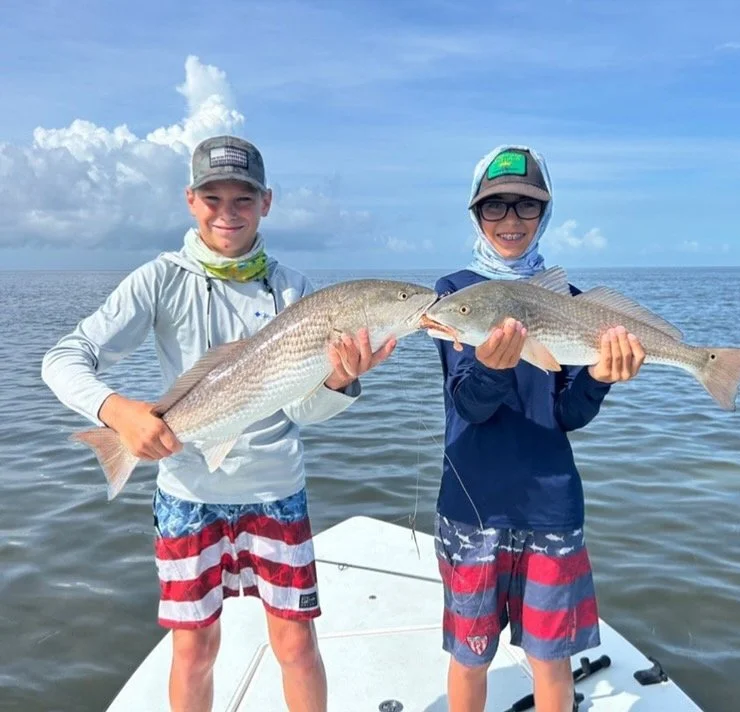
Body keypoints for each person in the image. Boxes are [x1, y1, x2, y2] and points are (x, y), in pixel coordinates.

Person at [41, 135, 395, 712]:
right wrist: (118, 412)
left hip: (276, 490)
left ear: (267, 203)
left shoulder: (293, 290)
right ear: (189, 200)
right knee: (194, 650)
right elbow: (62, 358)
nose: (227, 213)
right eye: (213, 198)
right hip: (187, 493)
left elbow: (301, 410)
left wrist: (336, 381)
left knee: (297, 643)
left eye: (243, 199)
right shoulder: (159, 279)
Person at [431, 145, 646, 712]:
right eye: (494, 207)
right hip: (471, 503)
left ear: (545, 212)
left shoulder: (571, 303)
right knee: (470, 656)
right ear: (475, 215)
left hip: (553, 505)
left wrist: (599, 376)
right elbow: (469, 406)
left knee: (552, 660)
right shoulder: (453, 296)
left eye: (525, 207)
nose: (509, 221)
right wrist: (493, 369)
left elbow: (567, 415)